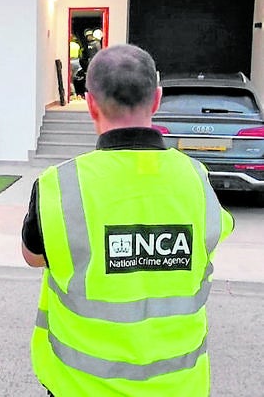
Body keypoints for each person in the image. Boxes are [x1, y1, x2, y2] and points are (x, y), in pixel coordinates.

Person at [21, 44, 234, 396]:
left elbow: (33, 257)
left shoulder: (59, 186)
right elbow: (212, 239)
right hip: (179, 387)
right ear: (157, 100)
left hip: (81, 387)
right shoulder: (196, 178)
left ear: (90, 103)